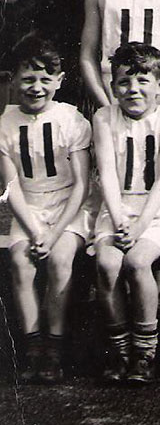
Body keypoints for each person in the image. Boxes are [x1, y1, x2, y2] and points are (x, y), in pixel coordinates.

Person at [92, 42, 160, 385]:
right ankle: (119, 350)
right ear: (112, 86)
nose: (132, 89)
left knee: (137, 261)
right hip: (118, 206)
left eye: (142, 81)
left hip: (159, 209)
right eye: (123, 82)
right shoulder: (104, 117)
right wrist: (120, 219)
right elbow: (106, 172)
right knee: (107, 264)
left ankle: (145, 351)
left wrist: (140, 226)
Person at [1, 38, 93, 384]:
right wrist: (36, 231)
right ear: (12, 80)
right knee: (21, 262)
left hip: (70, 207)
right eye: (27, 79)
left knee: (58, 259)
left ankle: (55, 349)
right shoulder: (5, 124)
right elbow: (12, 189)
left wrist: (53, 235)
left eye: (44, 79)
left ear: (59, 80)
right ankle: (32, 348)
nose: (36, 87)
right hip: (29, 209)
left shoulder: (70, 119)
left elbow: (82, 185)